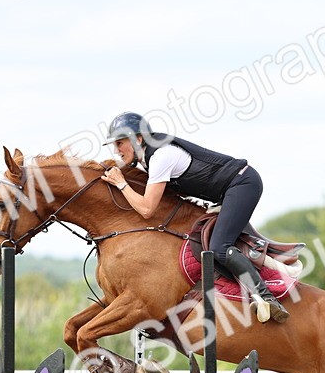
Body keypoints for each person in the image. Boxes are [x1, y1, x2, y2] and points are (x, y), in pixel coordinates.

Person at [100, 112, 289, 323]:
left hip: (242, 184)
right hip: (224, 192)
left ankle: (266, 297)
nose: (117, 150)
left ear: (139, 139)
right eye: (114, 145)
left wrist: (121, 184)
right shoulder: (148, 158)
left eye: (120, 143)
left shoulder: (161, 157)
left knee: (219, 247)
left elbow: (147, 209)